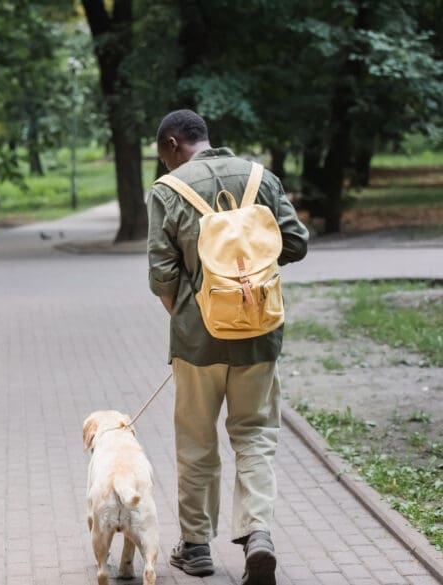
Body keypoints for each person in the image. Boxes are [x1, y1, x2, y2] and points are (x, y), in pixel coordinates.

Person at [146, 110, 308, 585]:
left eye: (164, 157)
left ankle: (196, 548)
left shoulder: (167, 190)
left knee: (197, 443)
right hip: (260, 332)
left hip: (199, 340)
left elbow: (161, 272)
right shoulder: (262, 177)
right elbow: (295, 244)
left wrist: (185, 312)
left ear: (174, 143)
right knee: (255, 435)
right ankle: (258, 533)